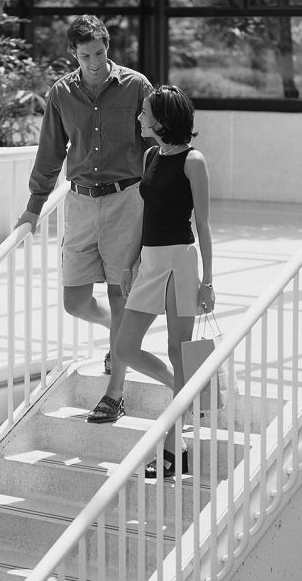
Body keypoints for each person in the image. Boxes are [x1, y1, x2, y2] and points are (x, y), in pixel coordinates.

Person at [15, 15, 154, 423]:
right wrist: (33, 206)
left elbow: (154, 145)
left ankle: (115, 394)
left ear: (107, 46)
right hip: (79, 203)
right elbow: (51, 152)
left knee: (119, 293)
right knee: (74, 301)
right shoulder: (62, 93)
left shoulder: (136, 86)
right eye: (85, 56)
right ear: (73, 54)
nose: (94, 63)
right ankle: (122, 335)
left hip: (126, 200)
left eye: (100, 53)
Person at [114, 85, 215, 478]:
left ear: (163, 119)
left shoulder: (194, 161)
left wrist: (208, 280)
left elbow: (203, 224)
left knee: (179, 350)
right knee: (125, 347)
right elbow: (145, 214)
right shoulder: (151, 154)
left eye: (144, 113)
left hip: (179, 262)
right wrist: (128, 262)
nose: (140, 118)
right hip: (151, 260)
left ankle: (173, 450)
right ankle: (184, 391)